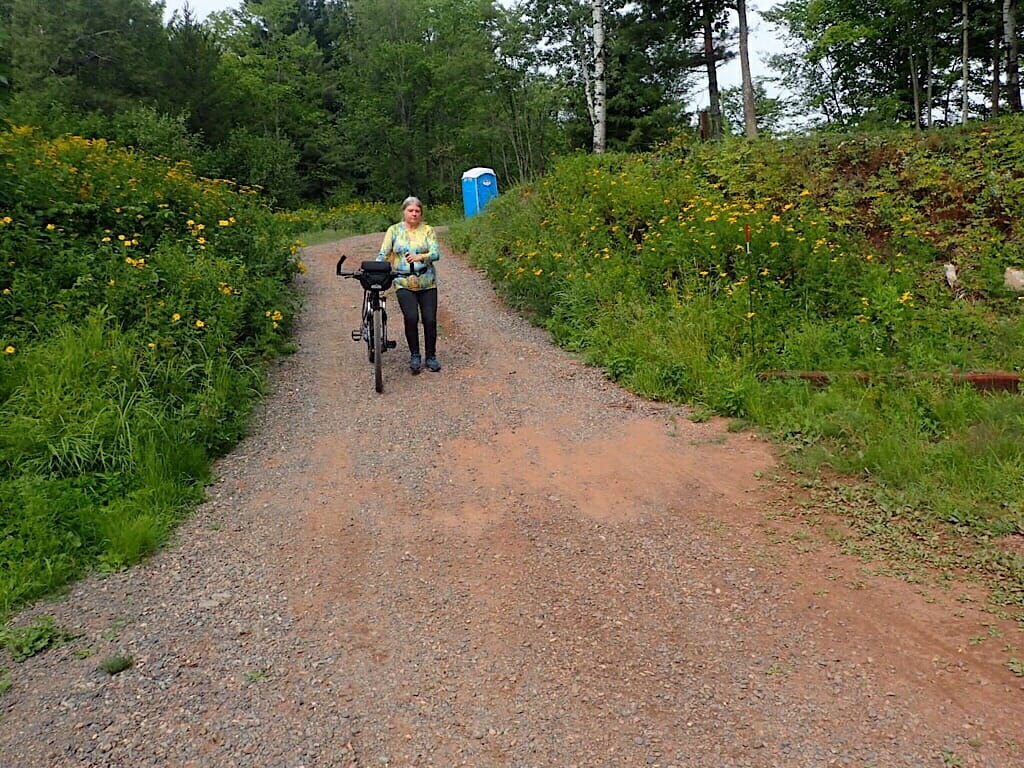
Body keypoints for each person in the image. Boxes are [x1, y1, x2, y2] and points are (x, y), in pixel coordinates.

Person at [377, 196, 442, 373]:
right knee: (411, 317)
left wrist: (421, 256)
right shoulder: (394, 230)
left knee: (430, 320)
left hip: (427, 281)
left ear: (421, 213)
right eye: (410, 211)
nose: (414, 214)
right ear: (404, 212)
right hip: (403, 282)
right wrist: (375, 268)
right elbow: (384, 253)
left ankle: (431, 356)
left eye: (417, 211)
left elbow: (436, 253)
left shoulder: (428, 230)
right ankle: (415, 355)